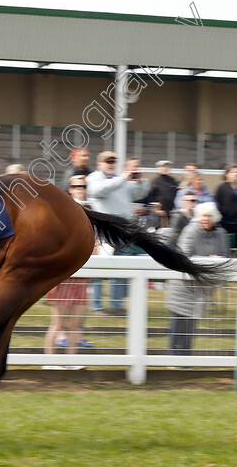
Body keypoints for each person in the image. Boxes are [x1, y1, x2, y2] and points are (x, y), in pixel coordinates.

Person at [164, 202, 229, 367]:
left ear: (214, 217)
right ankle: (173, 360)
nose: (205, 219)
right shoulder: (190, 230)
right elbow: (184, 256)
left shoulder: (221, 234)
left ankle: (186, 361)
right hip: (182, 286)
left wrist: (215, 261)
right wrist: (208, 259)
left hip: (201, 288)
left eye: (209, 216)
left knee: (190, 328)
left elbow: (225, 256)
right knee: (177, 326)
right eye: (203, 215)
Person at [86, 153, 150, 314]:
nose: (111, 164)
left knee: (122, 268)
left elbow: (139, 193)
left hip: (123, 231)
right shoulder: (94, 178)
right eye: (108, 161)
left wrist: (141, 181)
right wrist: (122, 178)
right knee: (99, 270)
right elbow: (98, 191)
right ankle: (96, 306)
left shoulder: (120, 180)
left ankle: (116, 305)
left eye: (113, 161)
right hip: (103, 231)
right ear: (99, 163)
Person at [43, 174, 93, 369]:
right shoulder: (61, 212)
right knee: (58, 323)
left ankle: (70, 361)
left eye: (83, 185)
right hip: (64, 278)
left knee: (75, 324)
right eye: (76, 185)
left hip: (82, 278)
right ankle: (49, 362)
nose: (80, 188)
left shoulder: (89, 211)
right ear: (70, 188)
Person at [215, 163, 237, 249]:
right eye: (233, 172)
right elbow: (218, 204)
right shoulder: (222, 187)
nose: (236, 174)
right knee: (227, 246)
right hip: (227, 223)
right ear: (227, 174)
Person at [150, 160, 178, 228]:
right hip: (160, 214)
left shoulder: (173, 180)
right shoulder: (155, 181)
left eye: (167, 166)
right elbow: (150, 197)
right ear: (158, 168)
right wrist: (157, 210)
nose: (165, 168)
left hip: (171, 213)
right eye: (163, 166)